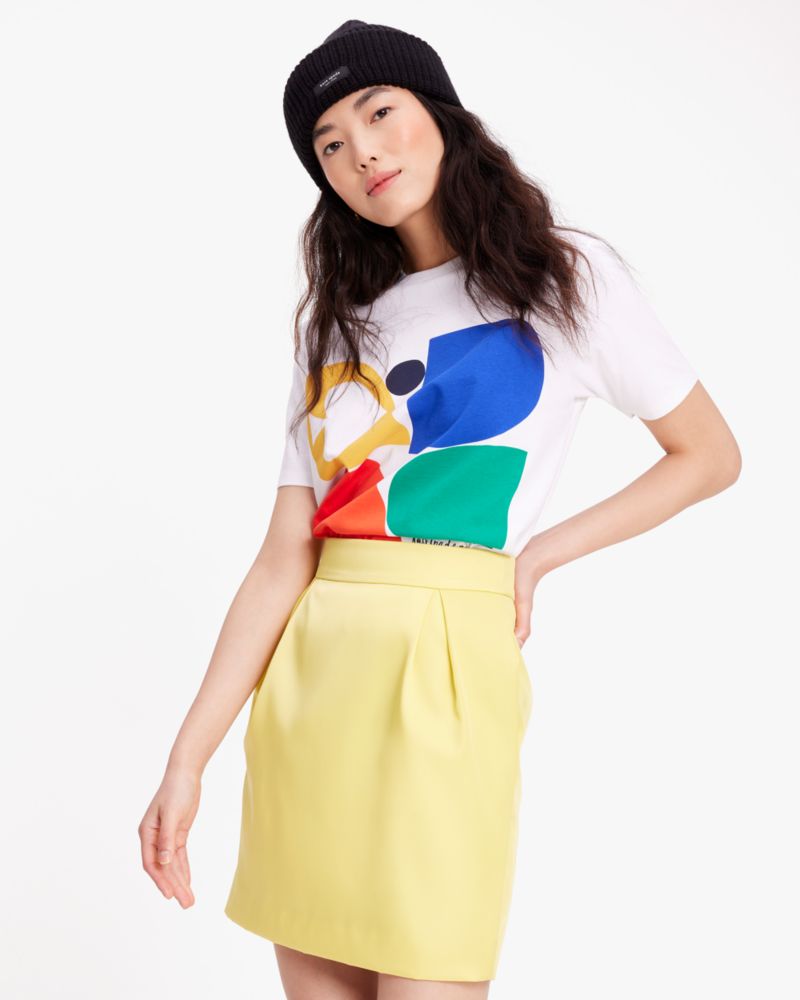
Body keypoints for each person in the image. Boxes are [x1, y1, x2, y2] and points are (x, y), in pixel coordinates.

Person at [138, 19, 741, 1000]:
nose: (362, 151)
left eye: (379, 112)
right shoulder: (339, 325)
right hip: (313, 684)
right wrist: (185, 759)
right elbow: (284, 559)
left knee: (434, 963)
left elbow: (708, 455)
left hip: (448, 672)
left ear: (440, 113)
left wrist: (536, 555)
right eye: (330, 143)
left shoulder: (563, 277)